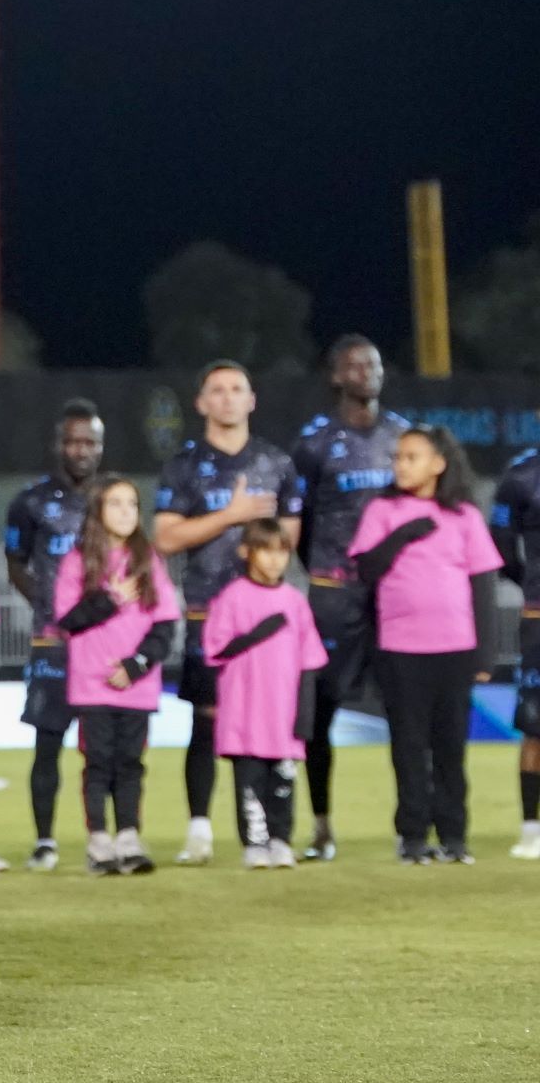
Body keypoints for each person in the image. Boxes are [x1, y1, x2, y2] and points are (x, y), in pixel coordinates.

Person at [152, 360, 301, 864]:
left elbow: (289, 538)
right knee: (207, 719)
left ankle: (270, 833)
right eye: (217, 390)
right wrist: (231, 516)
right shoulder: (184, 464)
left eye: (238, 388)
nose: (228, 397)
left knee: (270, 721)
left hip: (266, 619)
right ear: (201, 403)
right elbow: (165, 537)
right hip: (207, 612)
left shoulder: (276, 463)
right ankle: (199, 829)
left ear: (252, 400)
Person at [347, 426, 501, 865]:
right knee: (409, 747)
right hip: (400, 649)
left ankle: (454, 836)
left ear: (438, 464)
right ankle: (413, 836)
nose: (401, 464)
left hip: (455, 649)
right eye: (398, 457)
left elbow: (483, 587)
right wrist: (404, 534)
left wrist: (484, 654)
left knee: (451, 748)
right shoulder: (382, 510)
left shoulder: (464, 516)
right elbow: (367, 569)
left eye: (411, 457)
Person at [291, 336, 410, 859]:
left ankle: (411, 827)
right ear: (336, 376)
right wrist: (326, 576)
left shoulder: (402, 436)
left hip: (395, 599)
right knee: (321, 713)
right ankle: (321, 826)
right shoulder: (314, 443)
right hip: (335, 596)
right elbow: (299, 524)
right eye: (356, 365)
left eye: (375, 363)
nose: (368, 372)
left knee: (406, 712)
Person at [56, 475, 179, 876]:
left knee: (130, 763)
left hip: (136, 688)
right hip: (92, 687)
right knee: (98, 764)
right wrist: (110, 598)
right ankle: (99, 842)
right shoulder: (77, 561)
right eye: (116, 503)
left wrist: (136, 665)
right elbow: (69, 620)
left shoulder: (149, 561)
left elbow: (164, 625)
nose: (126, 512)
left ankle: (128, 838)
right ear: (98, 511)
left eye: (132, 504)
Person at [3, 400, 105, 869]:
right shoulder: (29, 502)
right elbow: (15, 564)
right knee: (47, 744)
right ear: (58, 445)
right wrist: (51, 609)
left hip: (103, 643)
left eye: (89, 442)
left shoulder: (114, 499)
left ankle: (102, 836)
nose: (80, 450)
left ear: (100, 447)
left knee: (103, 749)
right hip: (53, 643)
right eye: (72, 441)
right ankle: (44, 840)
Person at [202, 518, 328, 867]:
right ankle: (255, 844)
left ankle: (281, 840)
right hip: (246, 714)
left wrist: (304, 716)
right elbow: (217, 648)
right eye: (266, 551)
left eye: (281, 552)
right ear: (246, 552)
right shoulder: (232, 598)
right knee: (250, 783)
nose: (275, 560)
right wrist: (259, 632)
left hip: (283, 716)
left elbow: (309, 661)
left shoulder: (295, 602)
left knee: (283, 783)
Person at [489, 445, 540, 858]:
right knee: (535, 725)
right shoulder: (521, 475)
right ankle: (530, 829)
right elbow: (501, 547)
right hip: (539, 616)